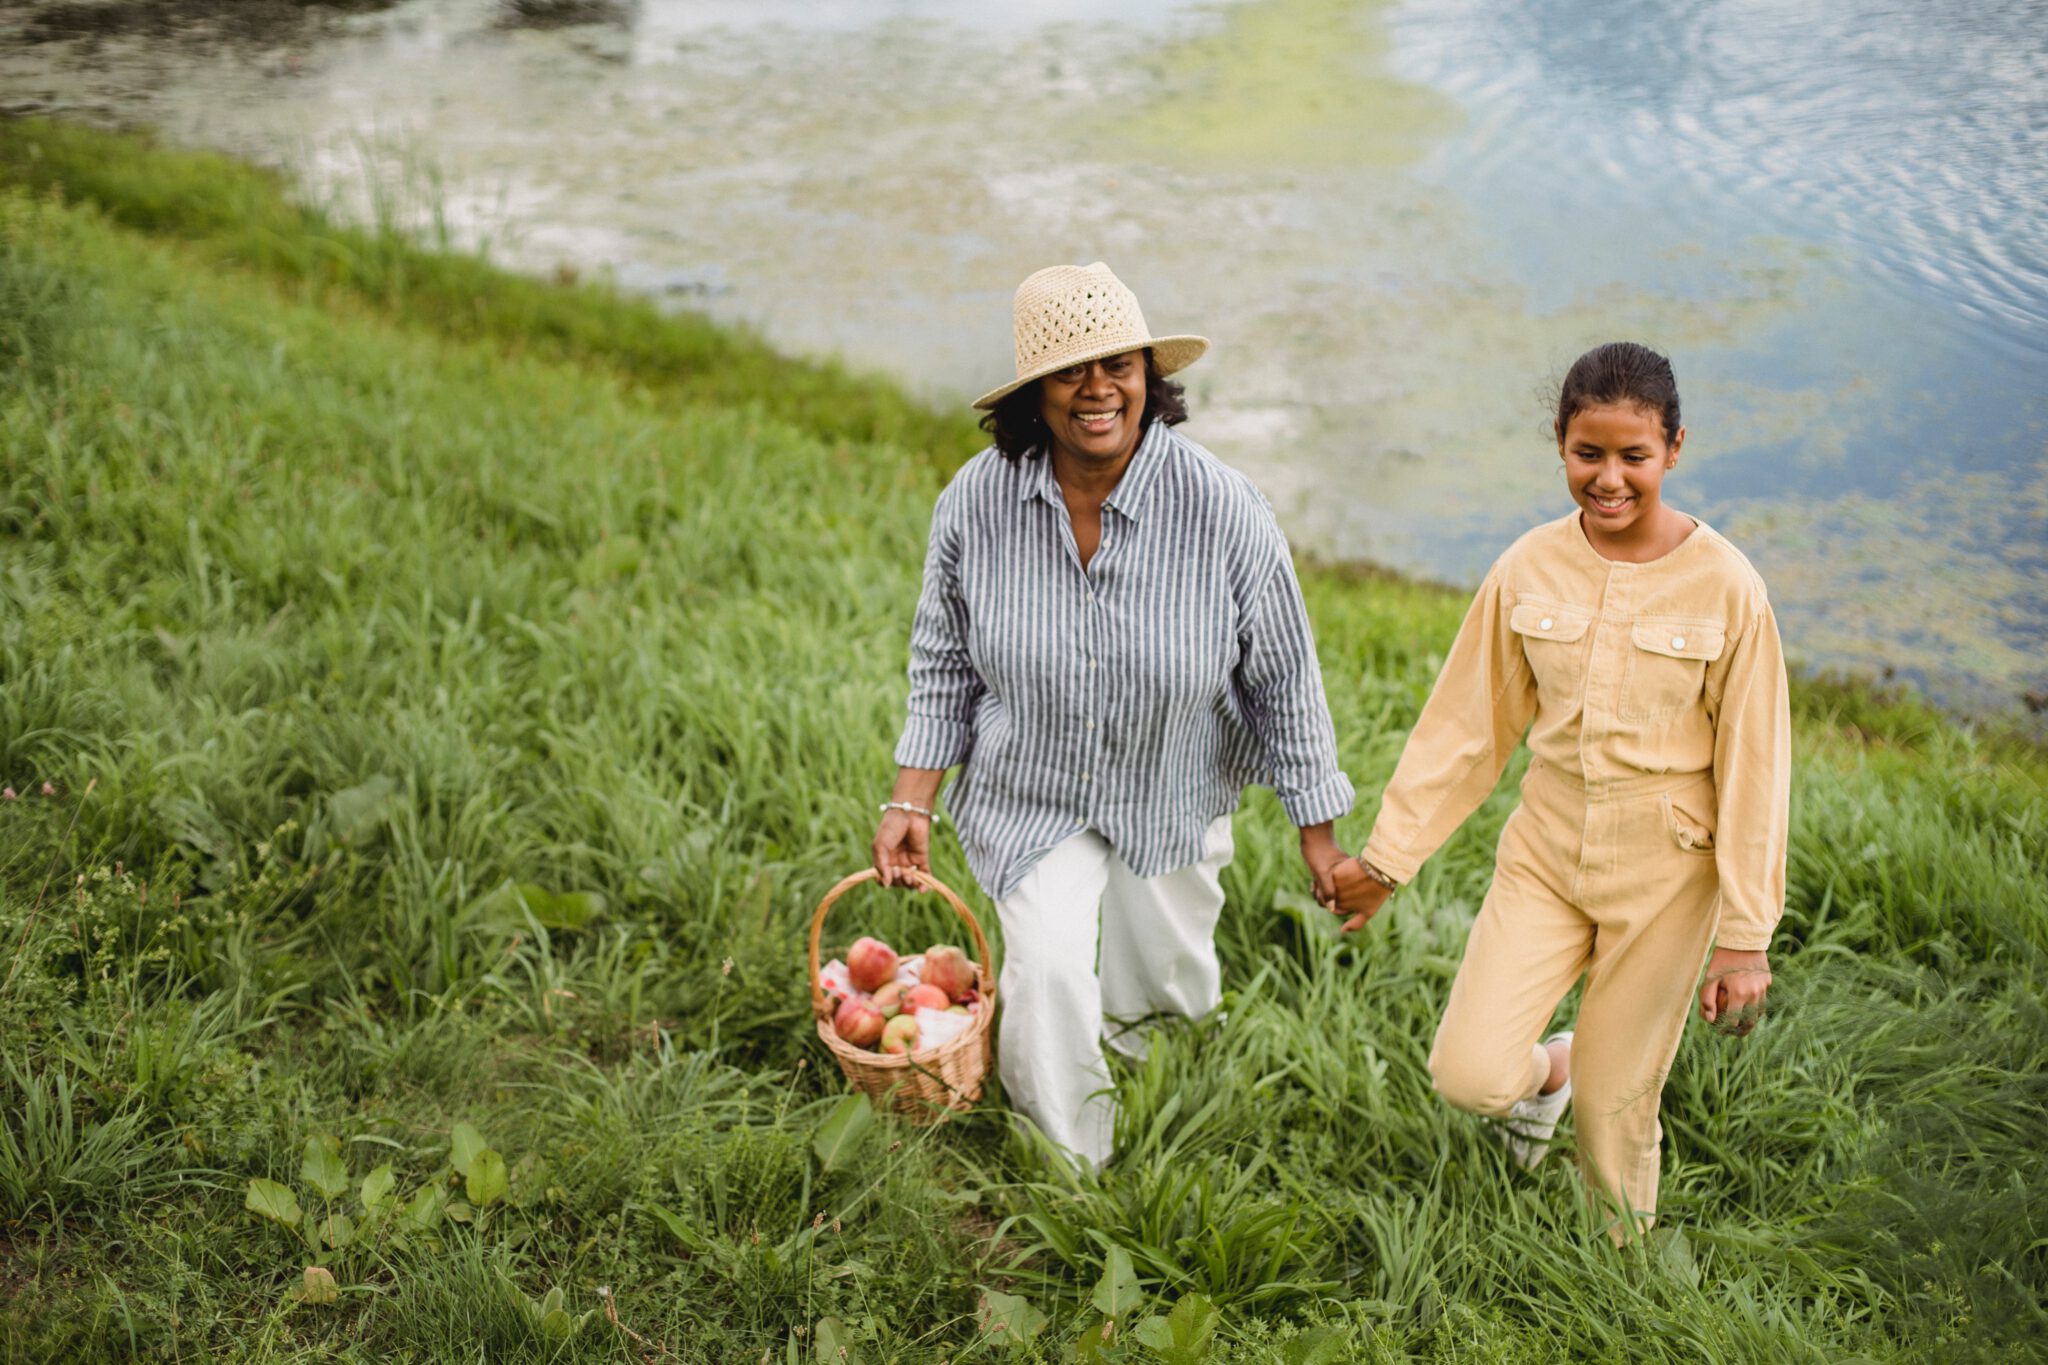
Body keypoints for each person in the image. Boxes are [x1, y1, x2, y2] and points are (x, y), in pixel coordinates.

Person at [873, 262, 1354, 1170]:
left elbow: (1286, 679)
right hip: (1033, 788)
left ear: (1148, 376)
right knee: (1050, 970)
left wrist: (1319, 836)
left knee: (1161, 992)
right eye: (1070, 371)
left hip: (1173, 787)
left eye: (1118, 365)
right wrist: (911, 799)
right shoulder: (976, 504)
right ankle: (1070, 1171)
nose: (1098, 389)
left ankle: (1158, 1086)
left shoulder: (1224, 509)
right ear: (1035, 396)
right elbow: (943, 663)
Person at [1323, 341, 1789, 1240]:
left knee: (1615, 1115)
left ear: (1676, 448)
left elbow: (1757, 767)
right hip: (1545, 852)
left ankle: (1617, 1281)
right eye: (1588, 454)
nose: (1608, 479)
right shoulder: (1526, 568)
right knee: (1469, 1073)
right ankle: (1553, 1074)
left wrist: (1745, 935)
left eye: (1633, 456)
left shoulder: (1729, 588)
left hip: (1668, 873)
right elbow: (1468, 726)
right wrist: (1389, 858)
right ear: (1560, 444)